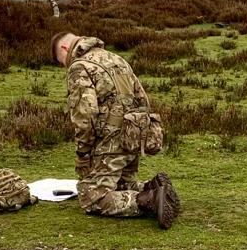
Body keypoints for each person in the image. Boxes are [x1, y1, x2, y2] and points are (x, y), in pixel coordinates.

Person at [51, 32, 180, 228]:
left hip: (111, 140)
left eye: (62, 62)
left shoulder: (79, 67)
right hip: (134, 134)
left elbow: (85, 116)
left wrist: (83, 152)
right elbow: (142, 98)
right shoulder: (116, 58)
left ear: (64, 49)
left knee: (92, 197)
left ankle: (150, 200)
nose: (65, 65)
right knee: (119, 184)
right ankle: (153, 187)